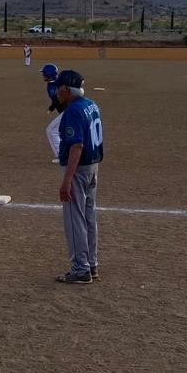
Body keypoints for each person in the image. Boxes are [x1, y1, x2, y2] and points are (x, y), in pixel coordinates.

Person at [54, 69, 103, 284]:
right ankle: (91, 264)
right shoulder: (91, 104)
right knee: (89, 217)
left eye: (59, 88)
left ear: (66, 90)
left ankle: (80, 269)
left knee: (75, 220)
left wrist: (66, 180)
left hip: (78, 169)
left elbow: (76, 145)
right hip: (92, 167)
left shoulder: (73, 110)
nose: (56, 92)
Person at [41, 63, 64, 159]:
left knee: (51, 131)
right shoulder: (59, 81)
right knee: (63, 132)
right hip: (74, 108)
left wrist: (51, 108)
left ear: (49, 75)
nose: (43, 76)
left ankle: (61, 157)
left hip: (69, 111)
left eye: (44, 74)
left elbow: (56, 100)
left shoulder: (51, 86)